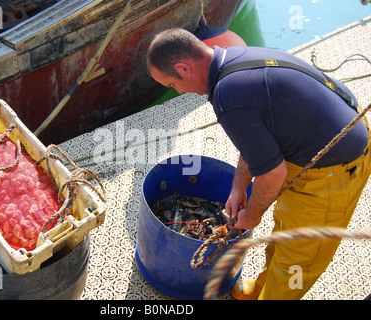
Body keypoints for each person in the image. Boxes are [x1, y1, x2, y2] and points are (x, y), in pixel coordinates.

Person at [146, 28, 371, 300]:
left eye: (173, 85)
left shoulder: (228, 96)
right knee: (284, 233)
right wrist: (238, 189)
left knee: (299, 259)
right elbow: (256, 143)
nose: (180, 91)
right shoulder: (233, 58)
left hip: (336, 165)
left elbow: (274, 174)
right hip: (315, 140)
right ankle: (262, 287)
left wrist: (252, 215)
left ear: (183, 68)